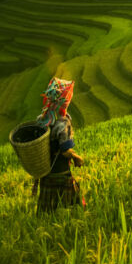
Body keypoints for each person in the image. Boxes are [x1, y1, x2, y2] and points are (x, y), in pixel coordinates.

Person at [33, 77, 85, 213]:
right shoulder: (63, 123)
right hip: (61, 171)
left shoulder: (41, 119)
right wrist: (76, 157)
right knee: (71, 205)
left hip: (46, 172)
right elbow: (64, 150)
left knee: (47, 209)